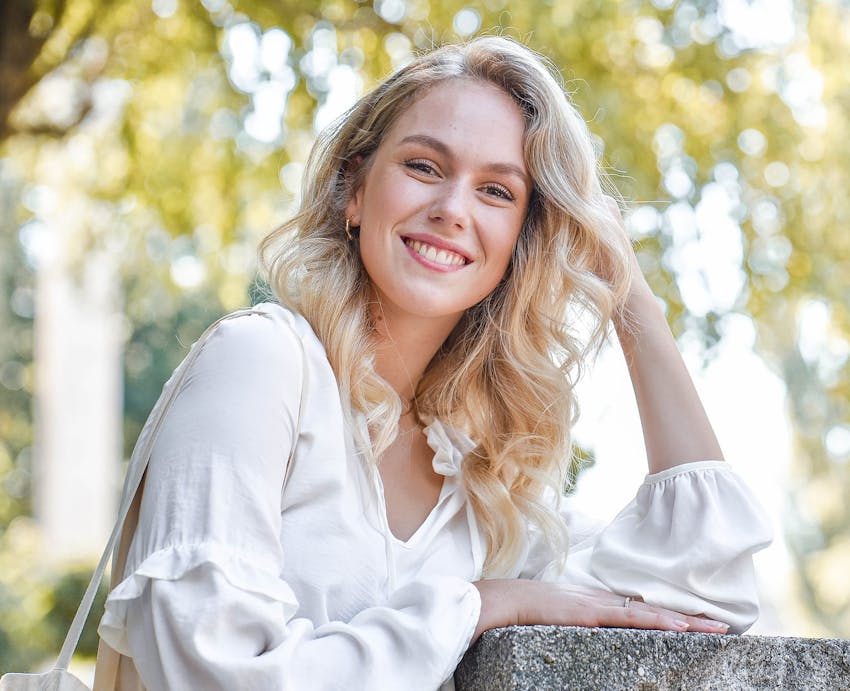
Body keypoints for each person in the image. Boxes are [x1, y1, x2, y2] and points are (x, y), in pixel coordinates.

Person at [96, 36, 772, 690]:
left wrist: (628, 292)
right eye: (424, 166)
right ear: (353, 190)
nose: (451, 210)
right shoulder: (260, 363)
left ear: (521, 240)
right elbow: (206, 670)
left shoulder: (482, 485)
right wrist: (470, 607)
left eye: (497, 192)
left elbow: (705, 589)